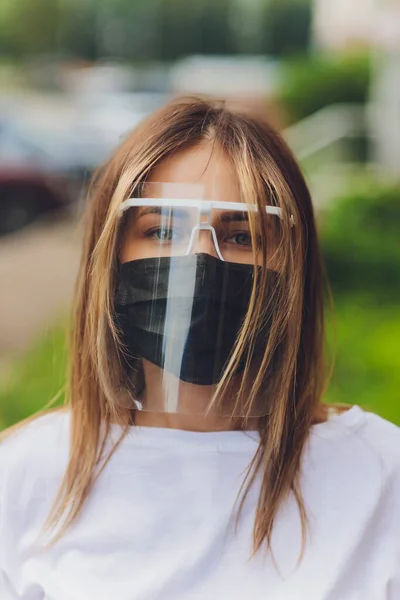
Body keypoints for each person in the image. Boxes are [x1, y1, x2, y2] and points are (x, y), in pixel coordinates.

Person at [0, 97, 399, 600]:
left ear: (292, 266)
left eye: (242, 234)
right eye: (163, 230)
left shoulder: (382, 475)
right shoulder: (24, 476)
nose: (201, 257)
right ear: (111, 255)